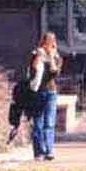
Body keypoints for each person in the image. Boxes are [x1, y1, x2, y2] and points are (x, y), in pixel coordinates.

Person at [28, 31, 63, 161]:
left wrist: (52, 58)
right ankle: (38, 152)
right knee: (38, 122)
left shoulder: (57, 58)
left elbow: (55, 73)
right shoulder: (36, 55)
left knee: (49, 122)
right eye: (47, 42)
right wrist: (39, 55)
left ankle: (49, 150)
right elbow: (33, 68)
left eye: (52, 42)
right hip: (37, 91)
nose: (49, 45)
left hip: (50, 91)